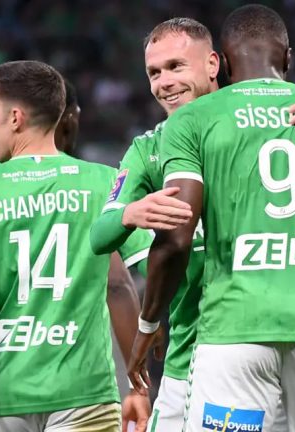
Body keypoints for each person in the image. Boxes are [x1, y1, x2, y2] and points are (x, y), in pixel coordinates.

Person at [126, 4, 295, 431]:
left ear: (224, 64)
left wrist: (148, 323)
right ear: (288, 58)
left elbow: (175, 239)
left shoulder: (194, 120)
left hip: (233, 330)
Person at [0, 78, 152, 431]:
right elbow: (132, 277)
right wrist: (140, 381)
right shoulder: (101, 181)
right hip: (81, 386)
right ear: (64, 117)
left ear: (15, 118)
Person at [90, 17, 216, 432]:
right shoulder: (147, 149)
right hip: (183, 352)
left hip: (245, 336)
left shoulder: (248, 130)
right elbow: (100, 234)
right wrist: (130, 214)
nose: (164, 82)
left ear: (212, 65)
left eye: (176, 66)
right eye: (154, 72)